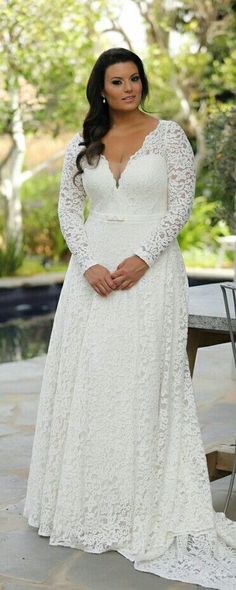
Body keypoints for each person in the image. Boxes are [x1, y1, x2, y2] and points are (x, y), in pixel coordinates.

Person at [23, 47, 236, 589]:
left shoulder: (167, 137)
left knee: (142, 383)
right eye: (117, 81)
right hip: (90, 277)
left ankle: (142, 501)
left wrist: (143, 257)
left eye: (135, 78)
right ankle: (85, 501)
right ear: (102, 89)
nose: (129, 88)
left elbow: (181, 204)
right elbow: (70, 210)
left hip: (151, 273)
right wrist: (88, 261)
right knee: (92, 384)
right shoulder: (82, 142)